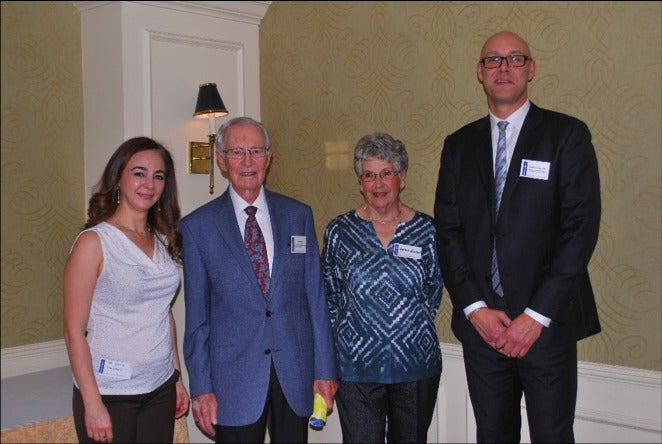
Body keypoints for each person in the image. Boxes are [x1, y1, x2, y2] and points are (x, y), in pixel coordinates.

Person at [434, 30, 601, 443]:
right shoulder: (458, 146)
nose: (503, 67)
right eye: (493, 60)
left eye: (514, 58)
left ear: (531, 69)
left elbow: (579, 230)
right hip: (483, 328)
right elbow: (449, 232)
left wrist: (535, 316)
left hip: (547, 325)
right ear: (480, 72)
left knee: (552, 435)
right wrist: (475, 309)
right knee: (493, 435)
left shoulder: (567, 136)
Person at [181, 116, 339, 443]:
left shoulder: (299, 216)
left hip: (294, 373)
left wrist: (325, 371)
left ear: (269, 157)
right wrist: (201, 388)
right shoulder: (198, 228)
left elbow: (316, 298)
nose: (248, 161)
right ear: (221, 160)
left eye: (256, 151)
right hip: (232, 382)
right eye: (238, 152)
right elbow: (197, 319)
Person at [63, 136, 190, 443]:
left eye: (158, 176)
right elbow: (73, 330)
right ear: (118, 177)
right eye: (139, 172)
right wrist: (92, 404)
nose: (149, 183)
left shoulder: (162, 239)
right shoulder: (94, 242)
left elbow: (162, 313)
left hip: (159, 389)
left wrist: (176, 378)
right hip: (109, 392)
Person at [322, 132, 443, 443]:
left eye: (386, 173)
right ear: (360, 182)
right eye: (369, 175)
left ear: (401, 178)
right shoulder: (340, 232)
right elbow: (331, 296)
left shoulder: (427, 231)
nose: (377, 184)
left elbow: (433, 290)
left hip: (415, 366)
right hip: (356, 369)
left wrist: (404, 331)